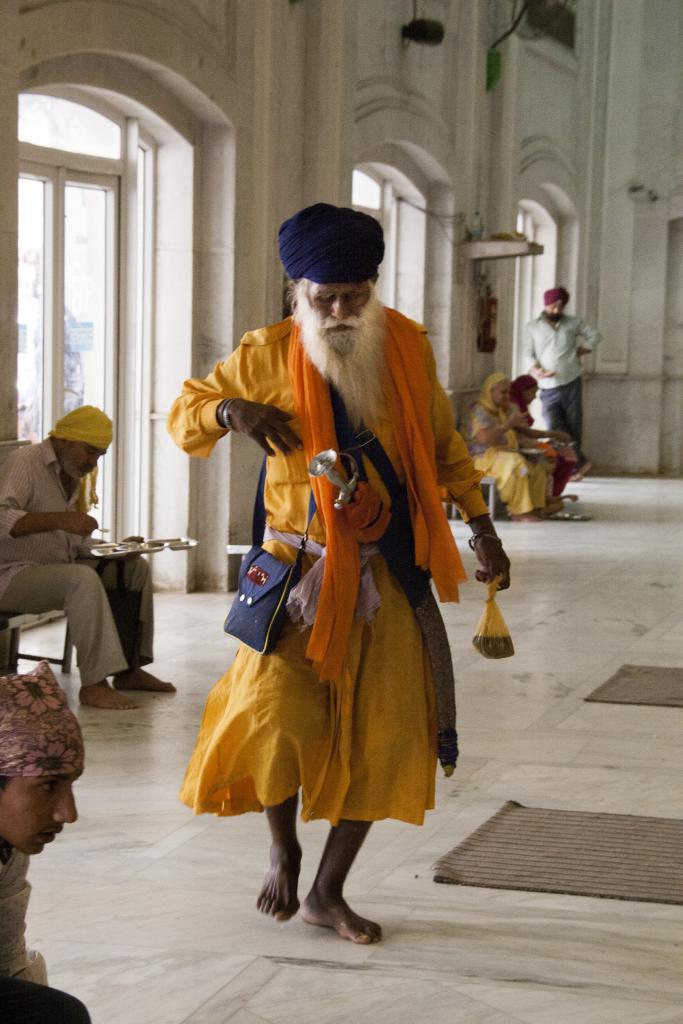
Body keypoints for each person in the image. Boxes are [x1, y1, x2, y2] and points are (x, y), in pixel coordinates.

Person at [167, 202, 511, 945]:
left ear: (374, 286)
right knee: (273, 721)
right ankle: (283, 845)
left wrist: (481, 526)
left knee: (385, 736)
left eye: (354, 296)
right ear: (298, 288)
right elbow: (184, 413)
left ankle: (327, 890)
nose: (340, 311)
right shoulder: (264, 352)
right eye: (324, 298)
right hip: (297, 576)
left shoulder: (407, 349)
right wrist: (234, 411)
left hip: (389, 570)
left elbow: (447, 448)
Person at [0, 405, 175, 710]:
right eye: (90, 452)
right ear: (66, 439)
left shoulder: (70, 474)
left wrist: (118, 547)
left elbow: (70, 541)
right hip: (11, 575)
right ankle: (94, 685)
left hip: (53, 568)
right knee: (81, 580)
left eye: (99, 456)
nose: (92, 463)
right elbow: (2, 518)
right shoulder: (26, 462)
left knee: (135, 568)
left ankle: (128, 670)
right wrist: (60, 519)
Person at [0, 660, 91, 1023]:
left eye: (70, 785)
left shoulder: (9, 848)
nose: (67, 813)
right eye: (47, 786)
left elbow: (8, 959)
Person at [521, 286, 602, 481]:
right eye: (552, 306)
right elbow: (527, 353)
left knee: (574, 425)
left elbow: (595, 336)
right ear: (546, 304)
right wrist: (536, 369)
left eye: (560, 307)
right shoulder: (532, 327)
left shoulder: (573, 323)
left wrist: (584, 350)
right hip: (548, 385)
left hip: (571, 380)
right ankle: (580, 462)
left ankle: (572, 468)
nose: (556, 311)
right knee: (554, 424)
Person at [467, 373, 553, 522]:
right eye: (503, 392)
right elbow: (484, 438)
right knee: (516, 463)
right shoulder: (479, 410)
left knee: (538, 463)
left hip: (499, 455)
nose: (507, 396)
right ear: (490, 391)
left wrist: (523, 442)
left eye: (508, 392)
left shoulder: (499, 410)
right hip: (481, 458)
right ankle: (518, 511)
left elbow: (513, 434)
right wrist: (508, 425)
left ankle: (535, 507)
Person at [508, 374, 578, 498]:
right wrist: (553, 435)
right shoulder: (513, 405)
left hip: (527, 442)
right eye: (533, 392)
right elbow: (526, 432)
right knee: (556, 455)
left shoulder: (520, 403)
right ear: (523, 390)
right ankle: (545, 496)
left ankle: (549, 495)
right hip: (518, 444)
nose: (535, 397)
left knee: (567, 455)